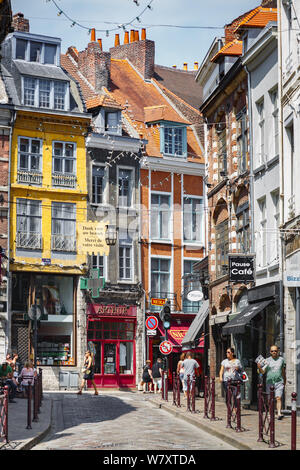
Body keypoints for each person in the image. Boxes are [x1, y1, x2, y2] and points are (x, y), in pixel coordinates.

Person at [257, 345, 286, 420]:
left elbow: (283, 371)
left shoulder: (281, 360)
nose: (274, 352)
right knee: (270, 399)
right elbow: (263, 372)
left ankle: (279, 413)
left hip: (279, 381)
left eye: (275, 351)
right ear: (270, 352)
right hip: (269, 382)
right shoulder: (267, 360)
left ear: (278, 351)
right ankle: (270, 413)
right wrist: (260, 367)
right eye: (272, 351)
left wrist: (284, 380)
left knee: (278, 398)